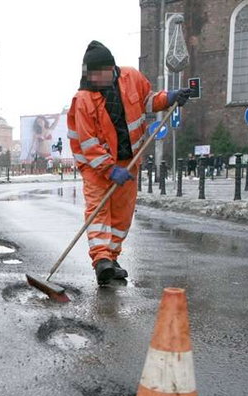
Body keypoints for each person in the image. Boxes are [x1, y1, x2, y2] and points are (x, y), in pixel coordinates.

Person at [67, 40, 192, 285]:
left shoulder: (131, 78)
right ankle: (101, 260)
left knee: (122, 216)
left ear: (110, 68)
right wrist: (109, 169)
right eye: (89, 75)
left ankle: (111, 260)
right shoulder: (83, 99)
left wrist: (169, 98)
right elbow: (88, 142)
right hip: (95, 167)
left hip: (128, 160)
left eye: (97, 74)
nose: (93, 79)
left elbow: (148, 101)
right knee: (99, 212)